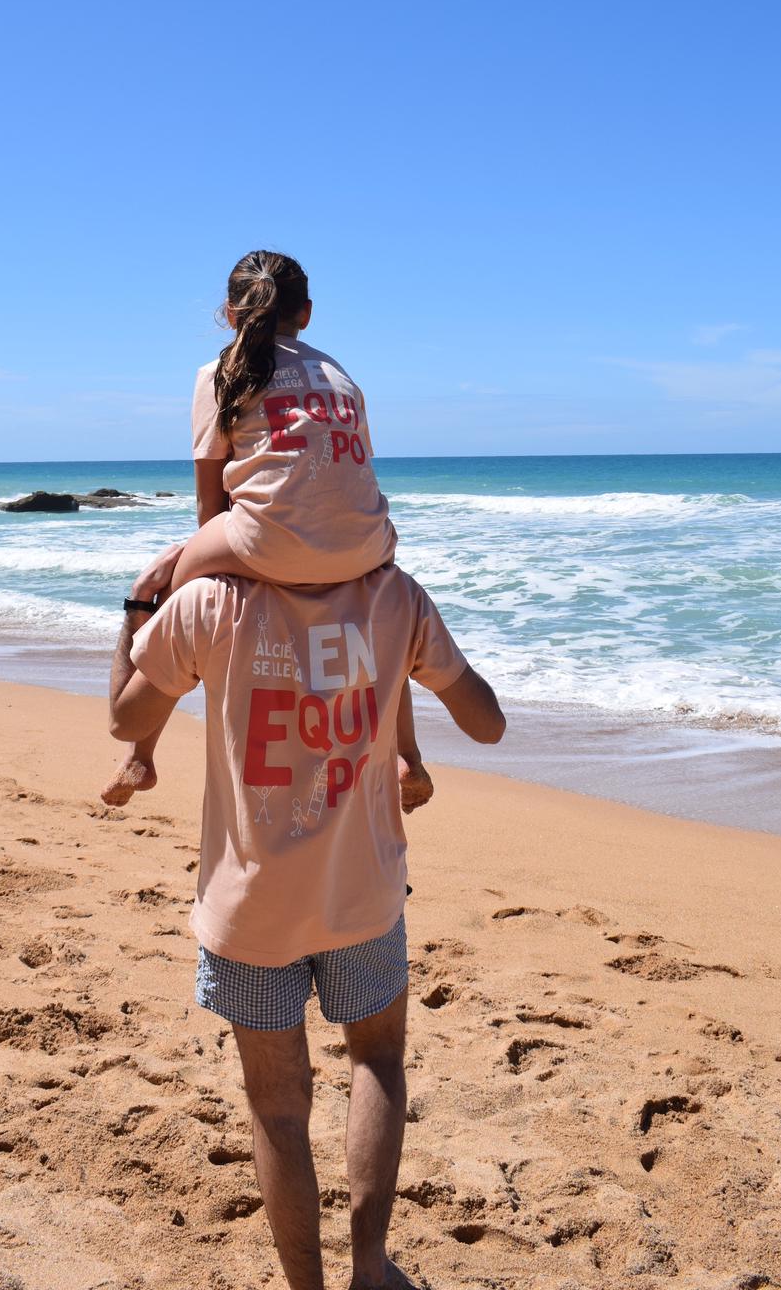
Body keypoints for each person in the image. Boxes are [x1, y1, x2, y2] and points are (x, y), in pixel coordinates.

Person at [109, 549, 505, 1290]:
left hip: (251, 907)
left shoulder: (210, 604)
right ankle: (368, 1270)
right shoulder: (394, 599)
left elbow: (125, 715)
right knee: (377, 1061)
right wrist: (409, 737)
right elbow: (487, 725)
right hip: (362, 894)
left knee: (277, 1104)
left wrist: (138, 608)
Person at [102, 248, 420, 808]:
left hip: (265, 537)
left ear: (230, 313)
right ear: (308, 313)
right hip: (368, 541)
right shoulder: (340, 374)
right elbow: (344, 473)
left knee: (173, 590)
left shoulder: (218, 372)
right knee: (384, 612)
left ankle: (140, 755)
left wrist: (218, 565)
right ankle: (405, 756)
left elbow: (210, 503)